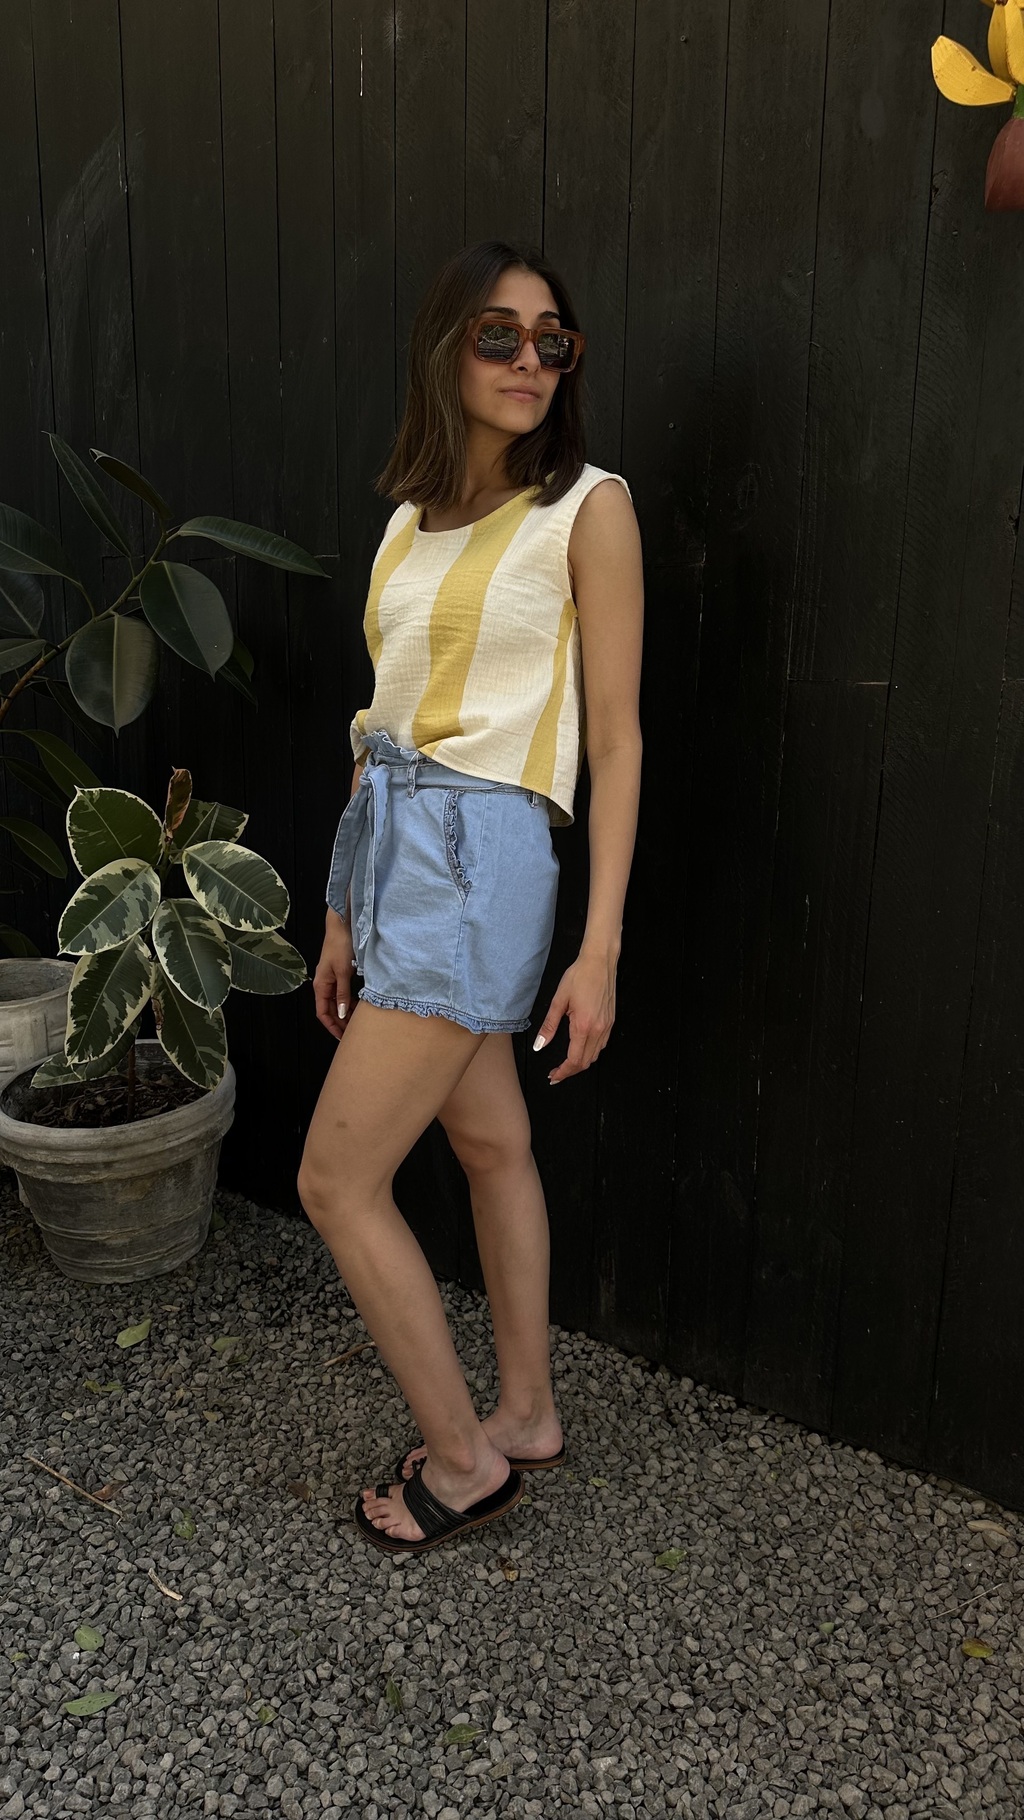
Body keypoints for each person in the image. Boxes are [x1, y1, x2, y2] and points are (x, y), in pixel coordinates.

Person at [297, 239, 643, 1555]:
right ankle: (526, 1413)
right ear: (446, 349)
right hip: (394, 852)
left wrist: (598, 950)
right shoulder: (407, 525)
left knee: (336, 1179)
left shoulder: (587, 509)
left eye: (553, 340)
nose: (529, 360)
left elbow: (617, 739)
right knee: (490, 1143)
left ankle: (462, 1461)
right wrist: (343, 912)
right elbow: (377, 724)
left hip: (481, 855)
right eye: (499, 334)